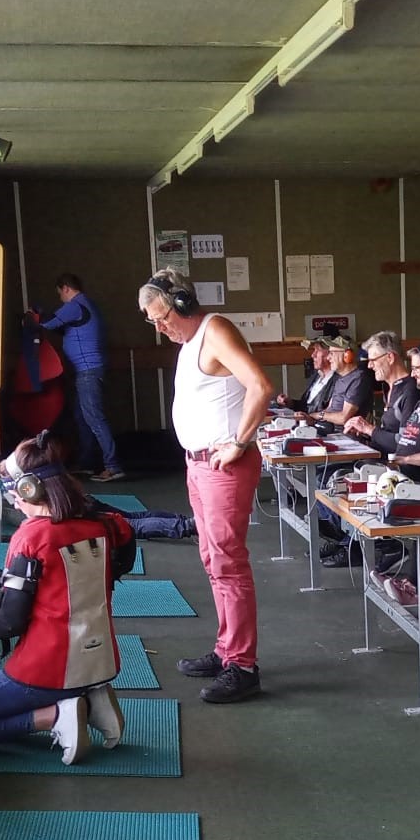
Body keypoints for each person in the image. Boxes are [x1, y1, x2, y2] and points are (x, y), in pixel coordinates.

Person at [0, 433, 133, 764]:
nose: (12, 499)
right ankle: (87, 698)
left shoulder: (32, 537)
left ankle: (56, 715)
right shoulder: (107, 525)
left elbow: (5, 624)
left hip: (46, 670)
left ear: (28, 490)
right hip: (100, 662)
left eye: (12, 490)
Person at [140, 269, 274, 704]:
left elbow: (261, 386)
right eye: (153, 321)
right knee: (214, 560)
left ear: (182, 304)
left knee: (228, 563)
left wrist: (239, 442)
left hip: (223, 467)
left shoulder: (215, 331)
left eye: (162, 318)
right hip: (198, 464)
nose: (159, 328)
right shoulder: (189, 342)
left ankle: (243, 667)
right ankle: (227, 649)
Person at [343, 339, 420, 605]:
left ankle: (413, 588)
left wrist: (408, 458)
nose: (412, 374)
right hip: (405, 474)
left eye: (417, 368)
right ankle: (406, 579)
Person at [318, 332, 417, 568]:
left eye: (373, 360)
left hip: (400, 468)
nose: (369, 366)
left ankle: (380, 545)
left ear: (390, 358)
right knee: (326, 476)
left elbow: (404, 444)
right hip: (379, 458)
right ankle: (348, 540)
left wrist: (369, 429)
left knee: (335, 479)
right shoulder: (391, 388)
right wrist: (365, 433)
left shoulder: (410, 391)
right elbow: (387, 434)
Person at [32, 274, 121, 483]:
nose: (61, 299)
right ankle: (87, 463)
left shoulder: (76, 305)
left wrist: (35, 315)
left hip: (88, 371)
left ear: (65, 288)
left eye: (60, 294)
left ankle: (113, 466)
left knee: (94, 419)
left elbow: (49, 324)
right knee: (82, 418)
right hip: (89, 370)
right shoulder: (87, 305)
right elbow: (64, 328)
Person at [303, 334, 374, 428]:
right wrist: (309, 417)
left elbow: (343, 418)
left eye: (332, 353)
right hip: (327, 428)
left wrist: (318, 416)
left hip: (342, 433)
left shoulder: (359, 379)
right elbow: (329, 409)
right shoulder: (340, 378)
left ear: (347, 355)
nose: (328, 358)